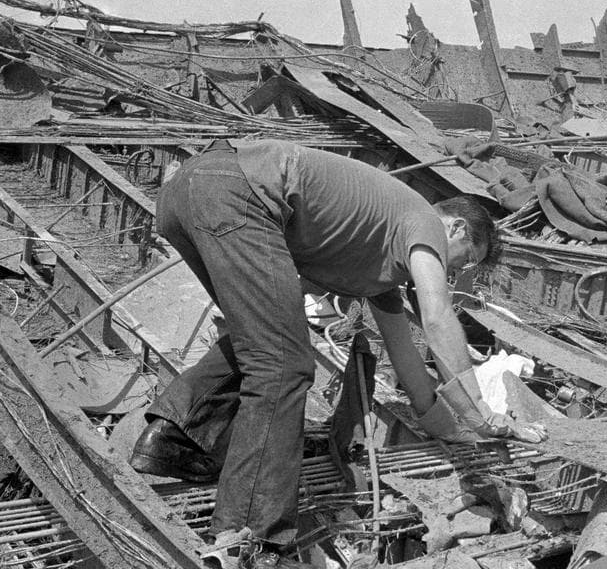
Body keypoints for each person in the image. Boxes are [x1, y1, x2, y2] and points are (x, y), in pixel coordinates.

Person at [128, 139, 545, 567]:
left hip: (188, 194)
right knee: (283, 364)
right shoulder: (423, 222)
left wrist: (460, 434)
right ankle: (249, 536)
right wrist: (481, 413)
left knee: (264, 338)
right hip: (238, 193)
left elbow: (412, 370)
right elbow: (438, 320)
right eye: (459, 262)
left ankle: (171, 438)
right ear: (455, 229)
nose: (449, 272)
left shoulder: (380, 266)